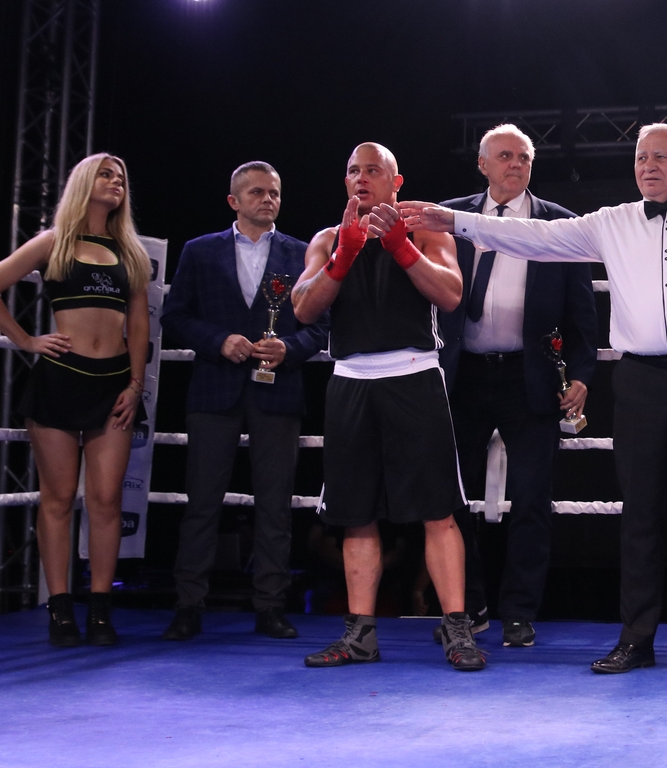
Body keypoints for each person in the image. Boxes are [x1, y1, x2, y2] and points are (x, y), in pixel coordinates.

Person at [403, 8, 667, 678]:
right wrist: (454, 220)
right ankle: (636, 639)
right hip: (642, 381)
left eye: (661, 156)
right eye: (641, 156)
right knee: (639, 513)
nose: (648, 165)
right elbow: (532, 237)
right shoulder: (610, 222)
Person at [291, 142, 485, 671]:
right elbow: (303, 308)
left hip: (414, 374)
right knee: (354, 514)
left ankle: (458, 629)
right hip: (351, 379)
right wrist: (343, 258)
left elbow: (451, 294)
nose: (361, 178)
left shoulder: (425, 230)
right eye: (353, 170)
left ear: (395, 182)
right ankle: (359, 635)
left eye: (372, 170)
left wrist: (400, 247)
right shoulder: (329, 239)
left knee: (438, 511)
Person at [438, 124, 598, 647]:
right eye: (505, 156)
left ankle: (520, 612)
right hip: (461, 376)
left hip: (530, 376)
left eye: (524, 157)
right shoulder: (449, 218)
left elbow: (582, 311)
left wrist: (581, 374)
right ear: (482, 164)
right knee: (450, 497)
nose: (515, 164)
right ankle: (467, 607)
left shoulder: (560, 224)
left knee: (532, 498)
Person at [159, 161, 329, 642]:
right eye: (256, 192)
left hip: (279, 387)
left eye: (274, 192)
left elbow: (321, 324)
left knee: (275, 505)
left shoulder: (302, 252)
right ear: (234, 201)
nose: (267, 199)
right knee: (202, 502)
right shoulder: (199, 250)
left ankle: (271, 606)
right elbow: (175, 316)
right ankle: (188, 605)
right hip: (215, 385)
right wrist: (218, 341)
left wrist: (289, 347)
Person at [0, 154, 151, 646]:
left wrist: (135, 384)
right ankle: (60, 611)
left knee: (106, 499)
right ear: (85, 182)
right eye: (106, 174)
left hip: (114, 385)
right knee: (59, 497)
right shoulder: (54, 241)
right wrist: (26, 340)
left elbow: (140, 324)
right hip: (60, 378)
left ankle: (101, 611)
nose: (115, 182)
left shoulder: (129, 251)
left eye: (121, 177)